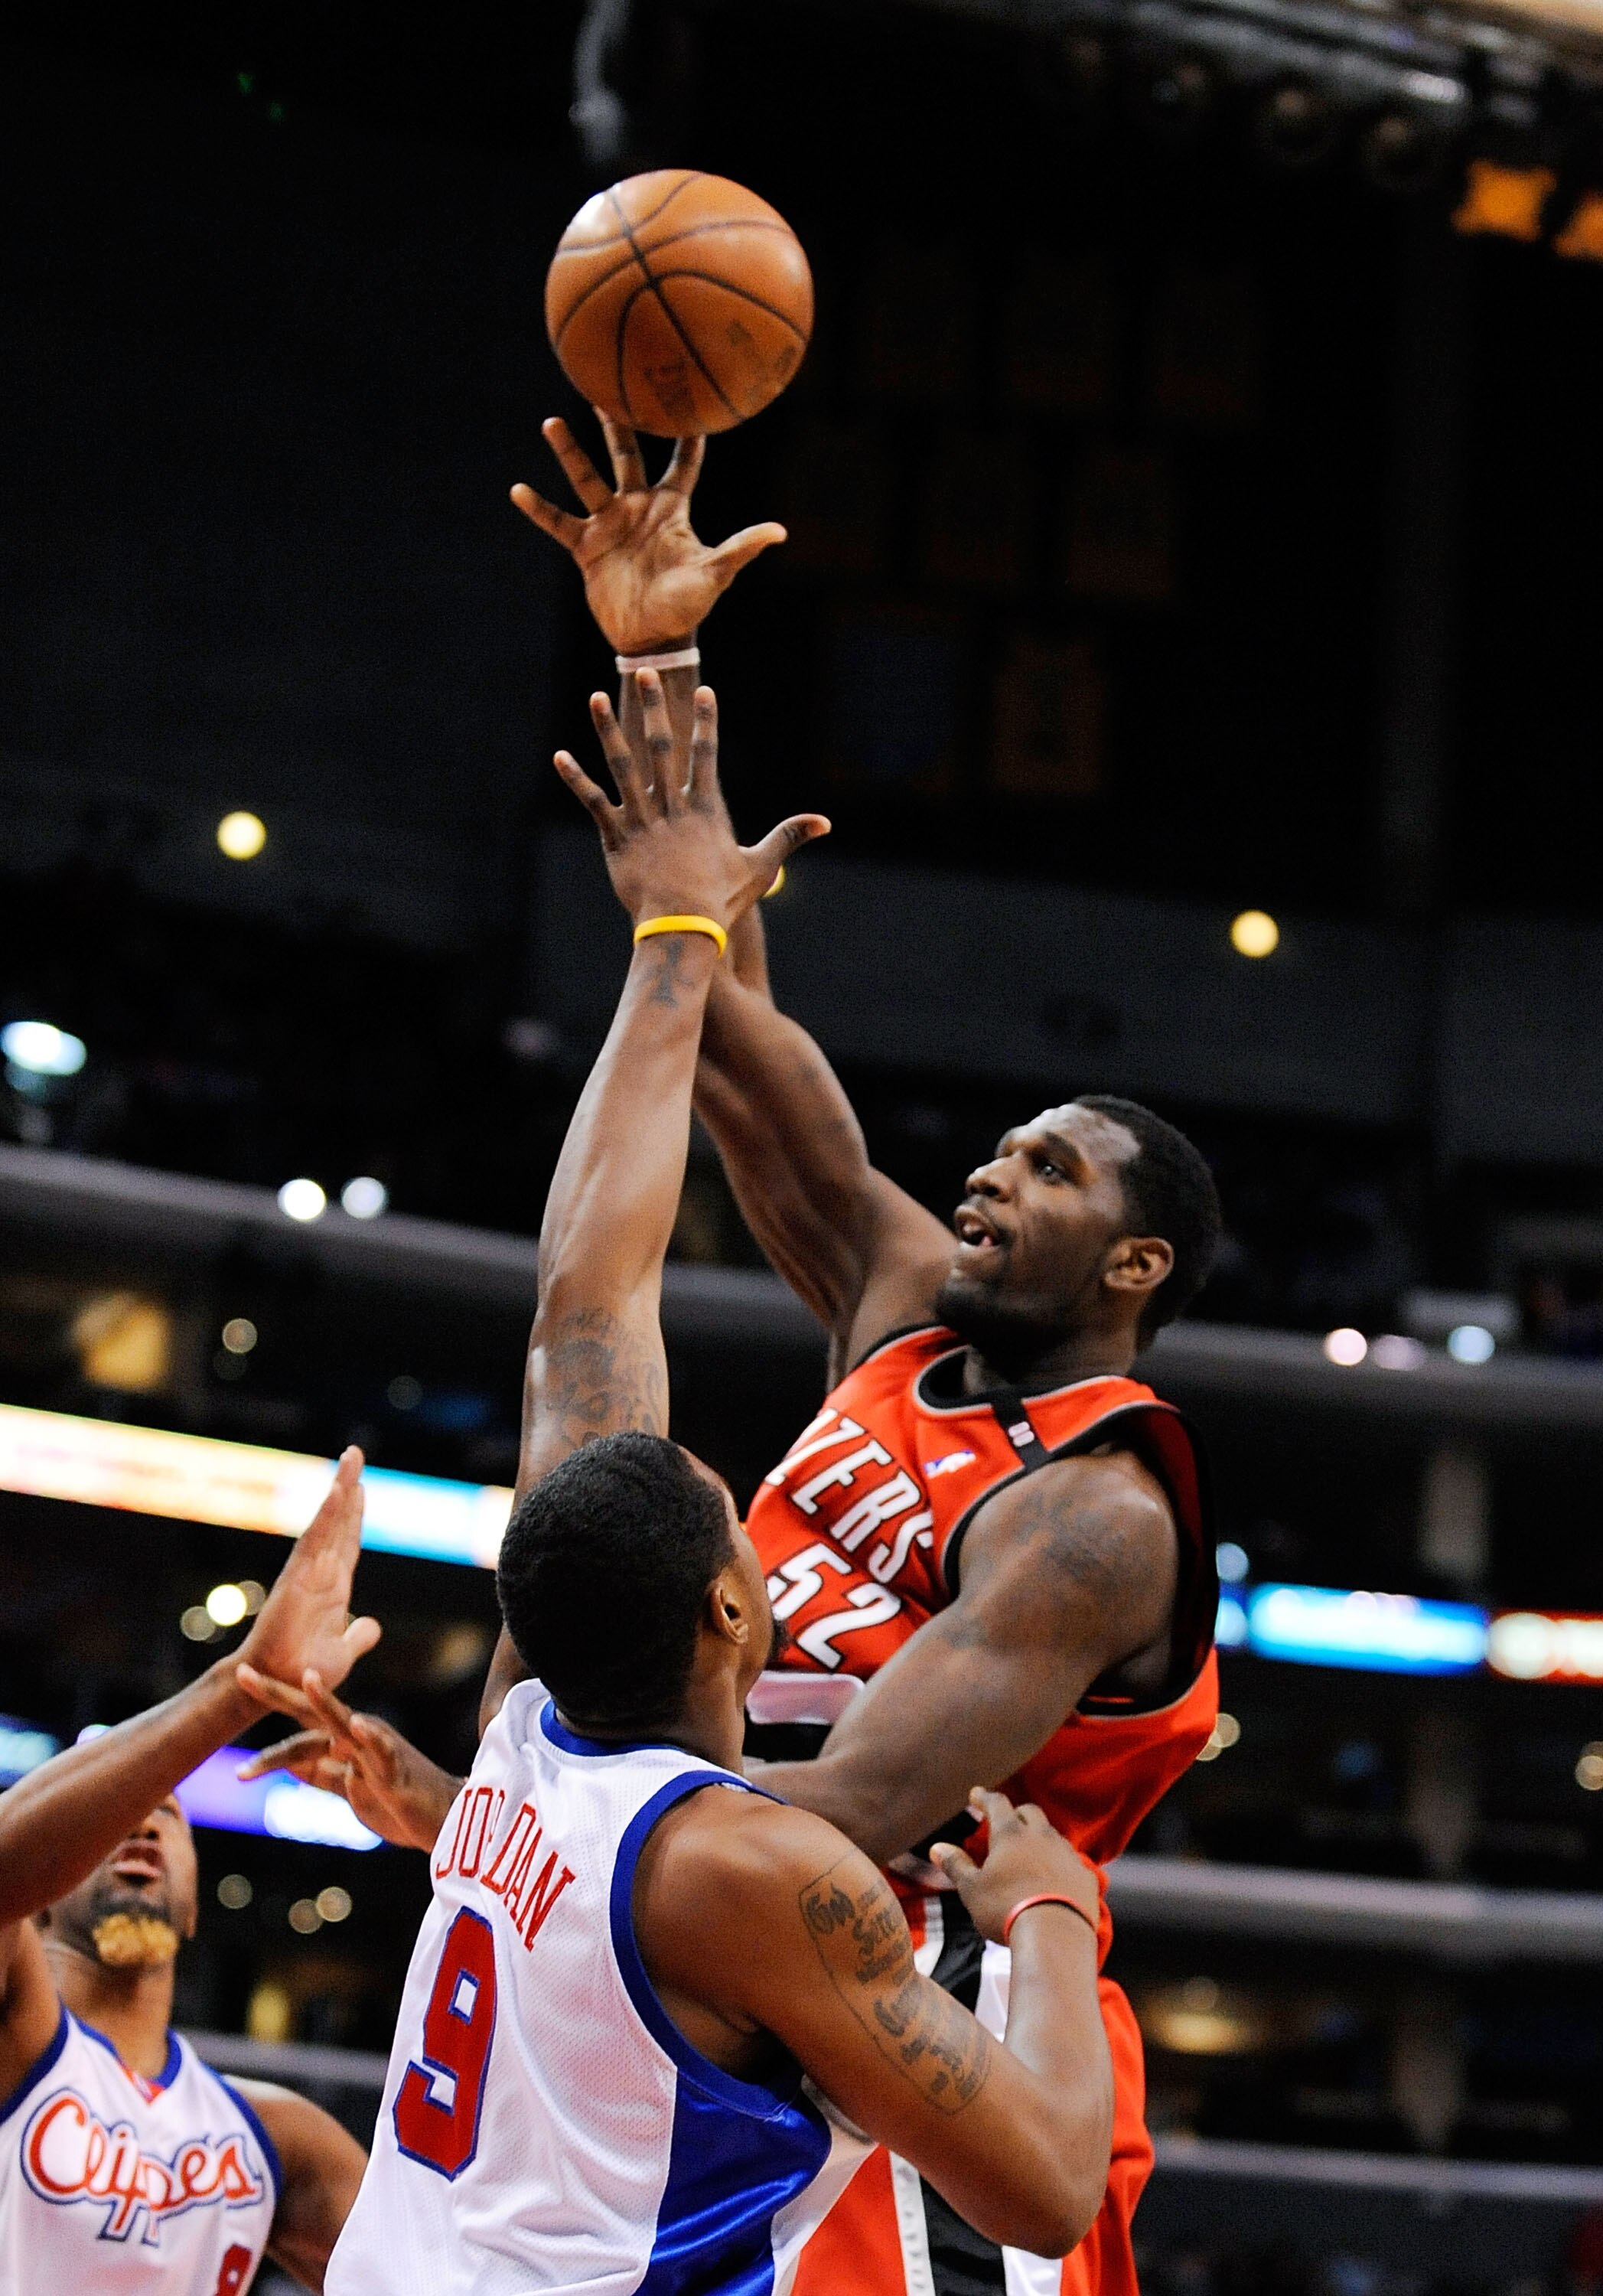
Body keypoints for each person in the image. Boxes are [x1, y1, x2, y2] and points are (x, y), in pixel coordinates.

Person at [260, 677, 1116, 2296]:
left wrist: (673, 941)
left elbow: (589, 1295)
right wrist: (1049, 1917)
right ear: (736, 1604)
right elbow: (1049, 2187)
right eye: (742, 1511)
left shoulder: (523, 1738)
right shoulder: (752, 1869)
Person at [494, 415, 1227, 2296]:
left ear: (1131, 1262)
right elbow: (736, 1043)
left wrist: (569, 1809)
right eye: (1002, 1142)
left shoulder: (1099, 1509)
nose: (994, 1167)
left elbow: (872, 1804)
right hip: (730, 1941)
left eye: (1050, 1167)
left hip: (934, 2010)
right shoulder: (905, 1301)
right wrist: (661, 664)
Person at [0, 1448, 377, 2292]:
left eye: (165, 1816)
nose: (140, 1829)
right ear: (42, 1896)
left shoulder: (272, 2135)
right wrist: (238, 1691)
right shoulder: (15, 2032)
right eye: (110, 1825)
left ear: (200, 1904)